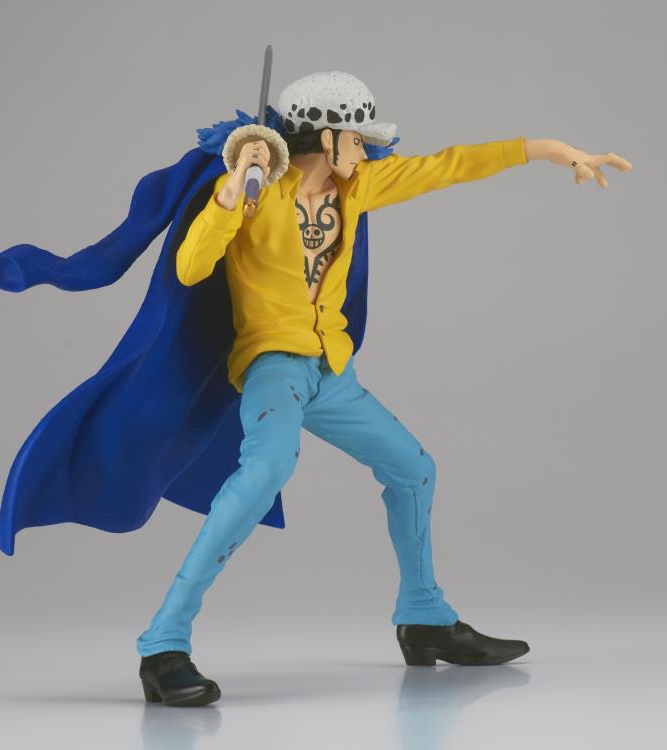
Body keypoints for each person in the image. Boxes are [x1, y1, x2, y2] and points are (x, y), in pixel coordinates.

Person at [134, 71, 633, 706]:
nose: (368, 148)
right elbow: (191, 266)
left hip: (329, 370)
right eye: (358, 138)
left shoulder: (358, 185)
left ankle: (424, 616)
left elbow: (449, 166)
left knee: (414, 468)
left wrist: (550, 150)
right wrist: (234, 188)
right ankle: (163, 643)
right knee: (265, 471)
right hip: (273, 366)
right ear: (326, 137)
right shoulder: (256, 194)